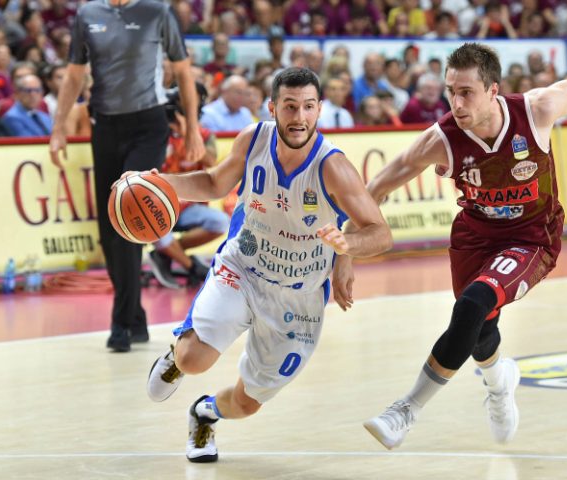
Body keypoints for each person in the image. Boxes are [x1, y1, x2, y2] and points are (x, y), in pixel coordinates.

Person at [332, 43, 567, 450]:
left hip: (532, 238)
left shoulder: (536, 111)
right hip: (474, 238)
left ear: (493, 90)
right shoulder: (440, 139)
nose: (456, 102)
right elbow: (374, 191)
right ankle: (500, 383)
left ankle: (405, 410)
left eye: (466, 92)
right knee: (480, 327)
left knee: (472, 305)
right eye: (451, 92)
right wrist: (345, 251)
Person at [141, 67, 392, 462]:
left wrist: (348, 247)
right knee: (192, 360)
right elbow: (212, 184)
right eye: (290, 107)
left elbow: (380, 232)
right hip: (243, 268)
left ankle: (204, 413)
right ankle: (175, 358)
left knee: (247, 403)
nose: (299, 117)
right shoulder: (253, 139)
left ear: (319, 110)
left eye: (308, 107)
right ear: (273, 107)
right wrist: (163, 184)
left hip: (298, 297)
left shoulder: (333, 166)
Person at [49, 0, 204, 352]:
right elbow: (74, 74)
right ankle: (135, 315)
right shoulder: (88, 15)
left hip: (148, 124)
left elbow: (182, 71)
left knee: (130, 213)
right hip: (104, 126)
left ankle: (120, 322)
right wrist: (58, 128)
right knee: (109, 229)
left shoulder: (157, 12)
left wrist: (193, 127)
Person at [147, 84, 228, 289]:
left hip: (187, 206)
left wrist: (188, 134)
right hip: (159, 205)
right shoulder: (158, 132)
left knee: (220, 222)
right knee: (158, 231)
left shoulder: (204, 134)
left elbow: (210, 161)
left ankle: (165, 254)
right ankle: (192, 266)